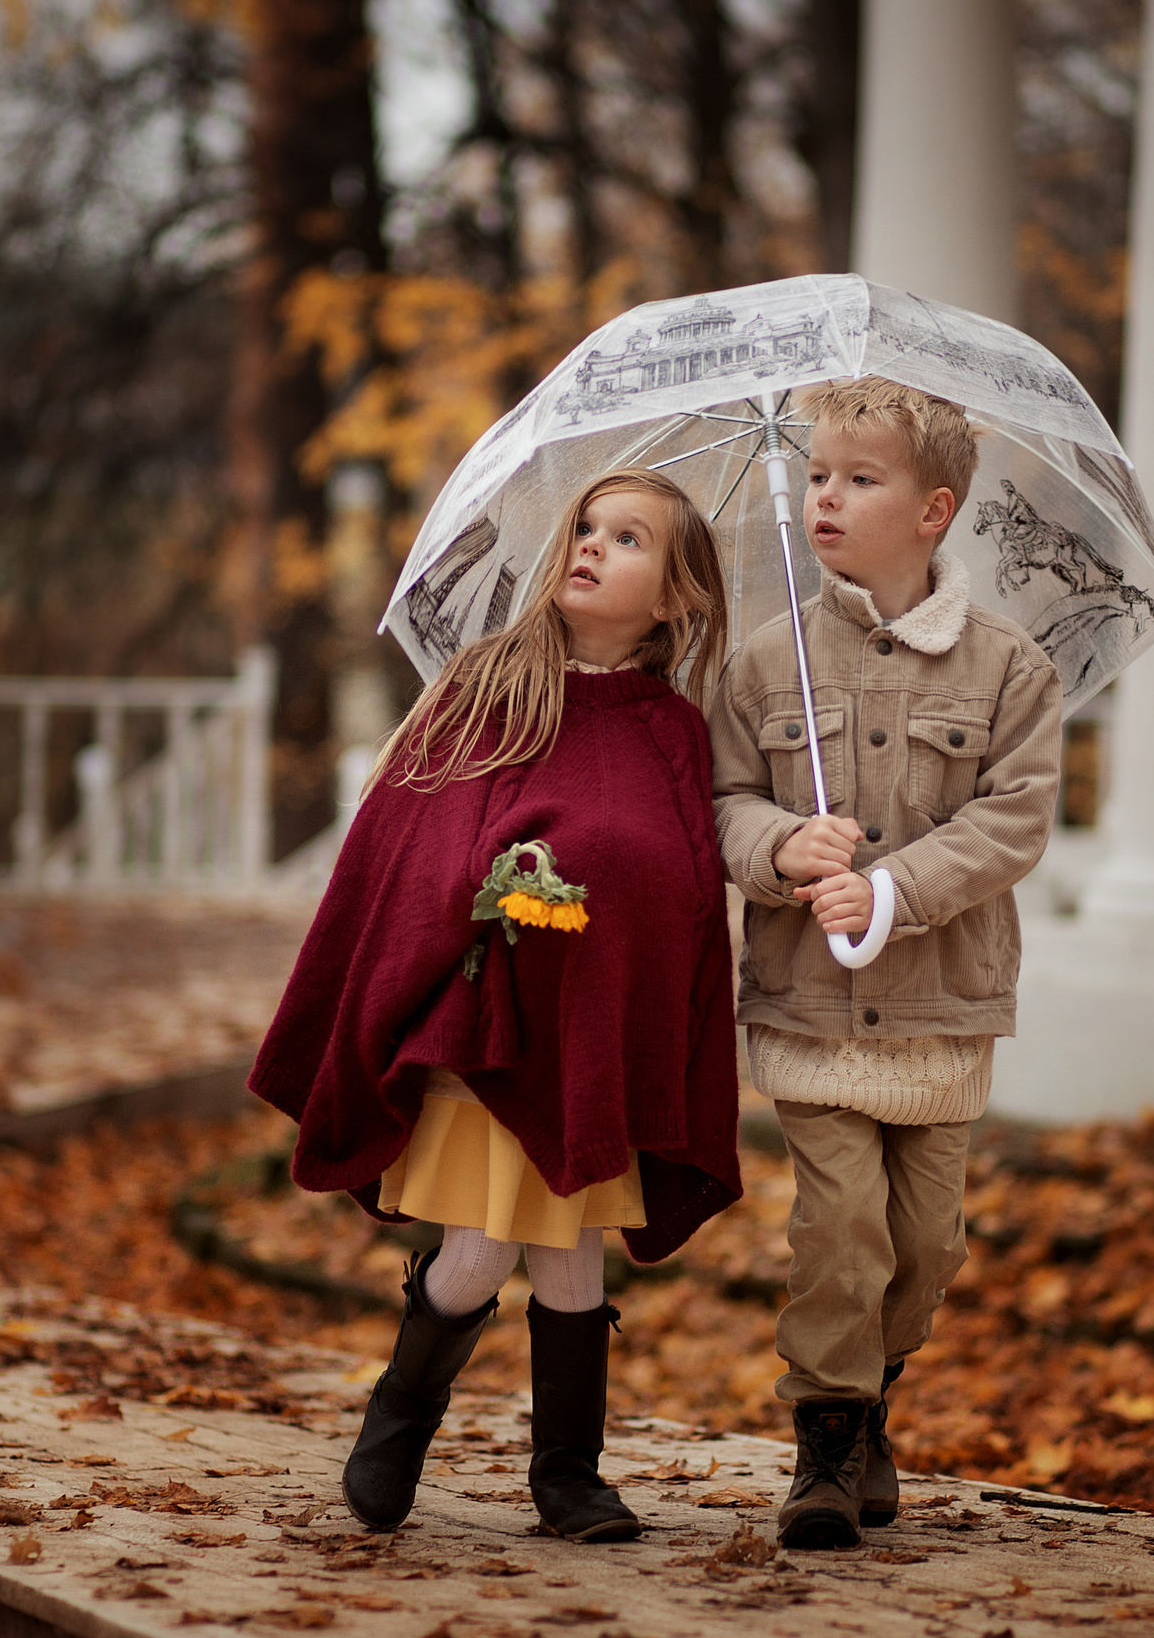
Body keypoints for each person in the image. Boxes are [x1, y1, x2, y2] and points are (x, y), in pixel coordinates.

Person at [251, 467, 743, 1545]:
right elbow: (414, 840)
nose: (591, 545)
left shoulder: (673, 730)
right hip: (483, 1031)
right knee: (479, 1249)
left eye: (627, 538)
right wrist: (498, 890)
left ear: (675, 598)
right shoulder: (492, 683)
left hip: (593, 1037)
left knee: (571, 1257)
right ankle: (396, 1427)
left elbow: (683, 890)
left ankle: (567, 1478)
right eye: (584, 528)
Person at [706, 376, 1061, 1550]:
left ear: (933, 511)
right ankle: (822, 1442)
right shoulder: (767, 661)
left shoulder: (1008, 669)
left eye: (861, 480)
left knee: (924, 1248)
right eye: (815, 476)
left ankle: (872, 1399)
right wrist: (777, 846)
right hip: (812, 1009)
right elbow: (720, 799)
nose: (826, 497)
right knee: (840, 1233)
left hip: (941, 1009)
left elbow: (1013, 822)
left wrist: (895, 886)